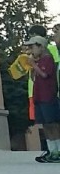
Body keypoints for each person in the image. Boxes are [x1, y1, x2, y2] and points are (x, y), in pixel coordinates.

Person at [24, 33, 60, 163]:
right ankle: (52, 150)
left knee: (52, 124)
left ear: (41, 47)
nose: (31, 50)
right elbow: (35, 77)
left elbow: (45, 74)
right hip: (39, 96)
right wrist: (32, 67)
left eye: (33, 47)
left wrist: (34, 65)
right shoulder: (38, 61)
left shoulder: (47, 59)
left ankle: (58, 150)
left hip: (47, 96)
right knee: (45, 125)